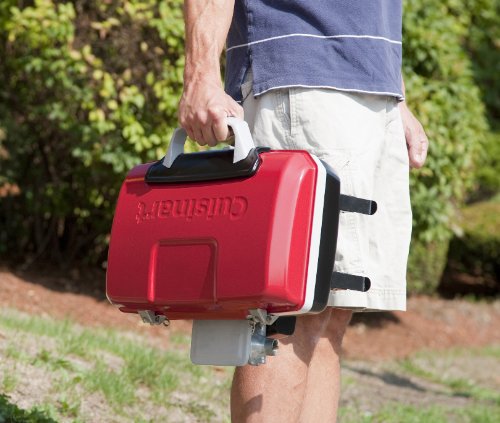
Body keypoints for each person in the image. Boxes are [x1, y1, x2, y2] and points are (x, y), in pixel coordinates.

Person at [178, 1, 429, 421]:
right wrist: (201, 73)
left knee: (332, 317)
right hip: (303, 75)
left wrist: (395, 95)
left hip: (372, 86)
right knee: (290, 315)